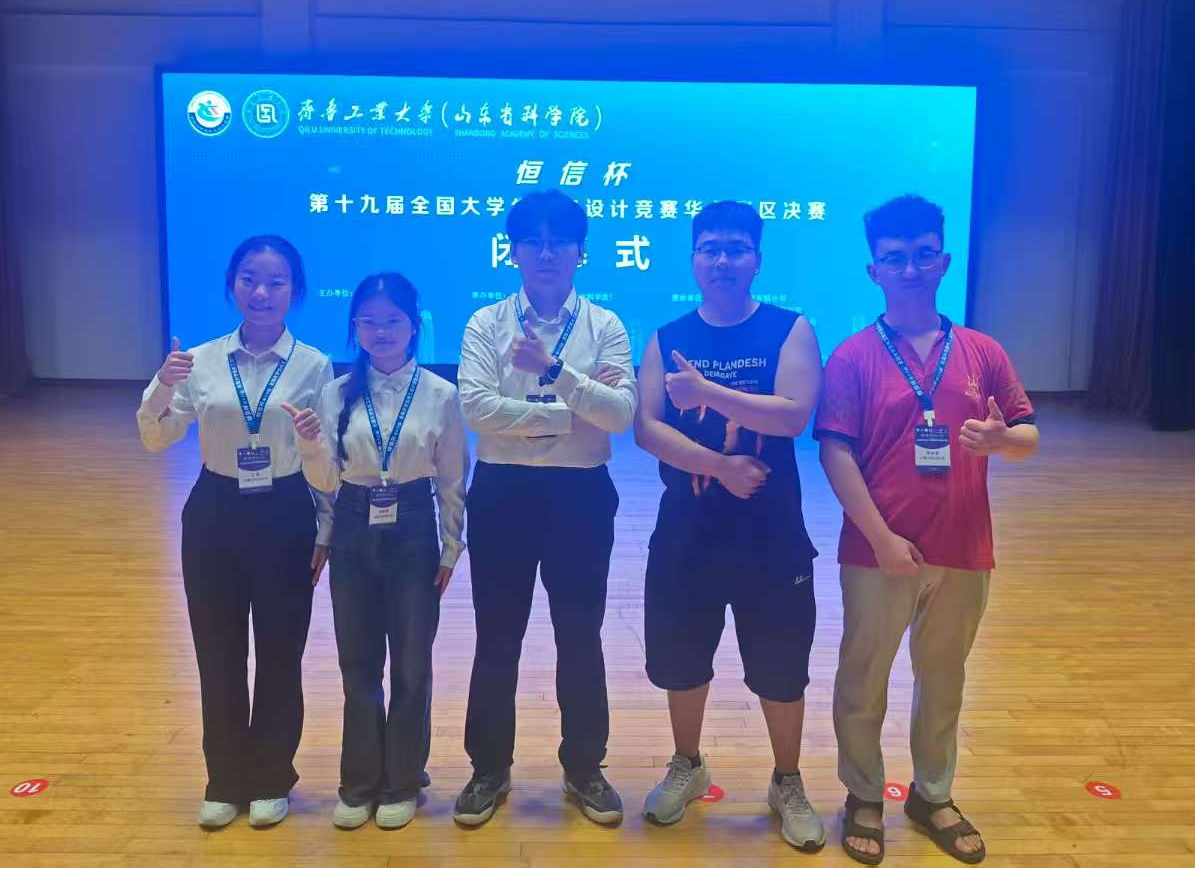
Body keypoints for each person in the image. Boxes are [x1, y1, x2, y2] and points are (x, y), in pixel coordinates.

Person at [815, 194, 1039, 865]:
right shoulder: (852, 357)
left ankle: (932, 794)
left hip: (965, 547)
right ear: (873, 270)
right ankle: (862, 794)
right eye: (895, 258)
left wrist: (1003, 440)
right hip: (877, 552)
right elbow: (835, 454)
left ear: (942, 261)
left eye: (921, 256)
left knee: (943, 679)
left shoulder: (982, 351)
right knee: (864, 679)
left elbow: (1027, 435)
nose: (909, 269)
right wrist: (882, 539)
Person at [634, 201, 826, 851]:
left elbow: (792, 415)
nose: (722, 259)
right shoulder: (666, 336)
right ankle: (687, 764)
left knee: (781, 666)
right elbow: (647, 428)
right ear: (694, 259)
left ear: (757, 259)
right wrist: (719, 466)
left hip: (771, 536)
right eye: (710, 248)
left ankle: (787, 780)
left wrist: (708, 393)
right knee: (681, 659)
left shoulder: (789, 329)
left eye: (736, 248)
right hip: (687, 533)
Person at [136, 235, 333, 829]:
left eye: (275, 281)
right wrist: (162, 383)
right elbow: (155, 437)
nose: (261, 292)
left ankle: (271, 777)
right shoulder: (198, 360)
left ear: (295, 291)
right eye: (249, 278)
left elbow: (325, 464)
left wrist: (325, 527)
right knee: (218, 653)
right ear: (231, 284)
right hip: (215, 511)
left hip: (285, 512)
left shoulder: (314, 365)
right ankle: (223, 779)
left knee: (280, 653)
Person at [453, 190, 636, 826]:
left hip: (580, 496)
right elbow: (476, 409)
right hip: (503, 492)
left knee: (580, 634)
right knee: (497, 635)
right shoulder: (486, 323)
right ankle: (488, 768)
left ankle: (584, 768)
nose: (547, 252)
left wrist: (554, 370)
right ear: (514, 251)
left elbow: (620, 414)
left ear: (581, 252)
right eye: (533, 240)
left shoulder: (605, 326)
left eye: (560, 241)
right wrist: (571, 411)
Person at [285, 272, 468, 831]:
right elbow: (325, 481)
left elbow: (452, 477)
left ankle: (403, 780)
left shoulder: (440, 394)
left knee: (412, 664)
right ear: (354, 327)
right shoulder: (335, 393)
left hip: (413, 525)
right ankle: (359, 782)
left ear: (413, 326)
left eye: (393, 321)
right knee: (358, 661)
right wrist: (311, 446)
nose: (381, 331)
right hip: (352, 524)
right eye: (368, 321)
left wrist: (451, 546)